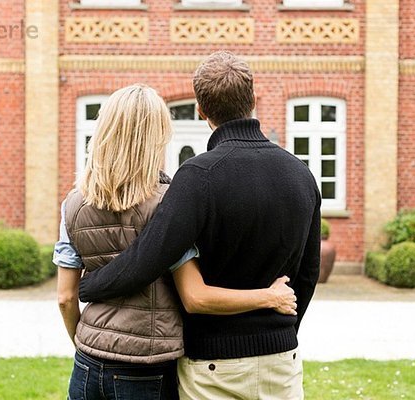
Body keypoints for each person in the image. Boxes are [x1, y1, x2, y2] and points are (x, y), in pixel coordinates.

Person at [78, 52, 321, 400]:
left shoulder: (198, 176)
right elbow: (308, 275)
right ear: (253, 101)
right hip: (281, 359)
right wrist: (280, 331)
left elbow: (148, 258)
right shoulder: (301, 174)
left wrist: (89, 286)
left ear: (200, 111)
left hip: (213, 364)